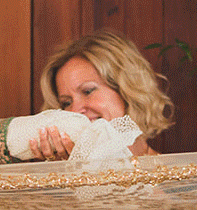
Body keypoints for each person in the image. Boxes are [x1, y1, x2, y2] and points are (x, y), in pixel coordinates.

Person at [30, 29, 173, 160]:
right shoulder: (67, 174)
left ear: (126, 89)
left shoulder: (177, 178)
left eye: (88, 91)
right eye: (66, 103)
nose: (74, 111)